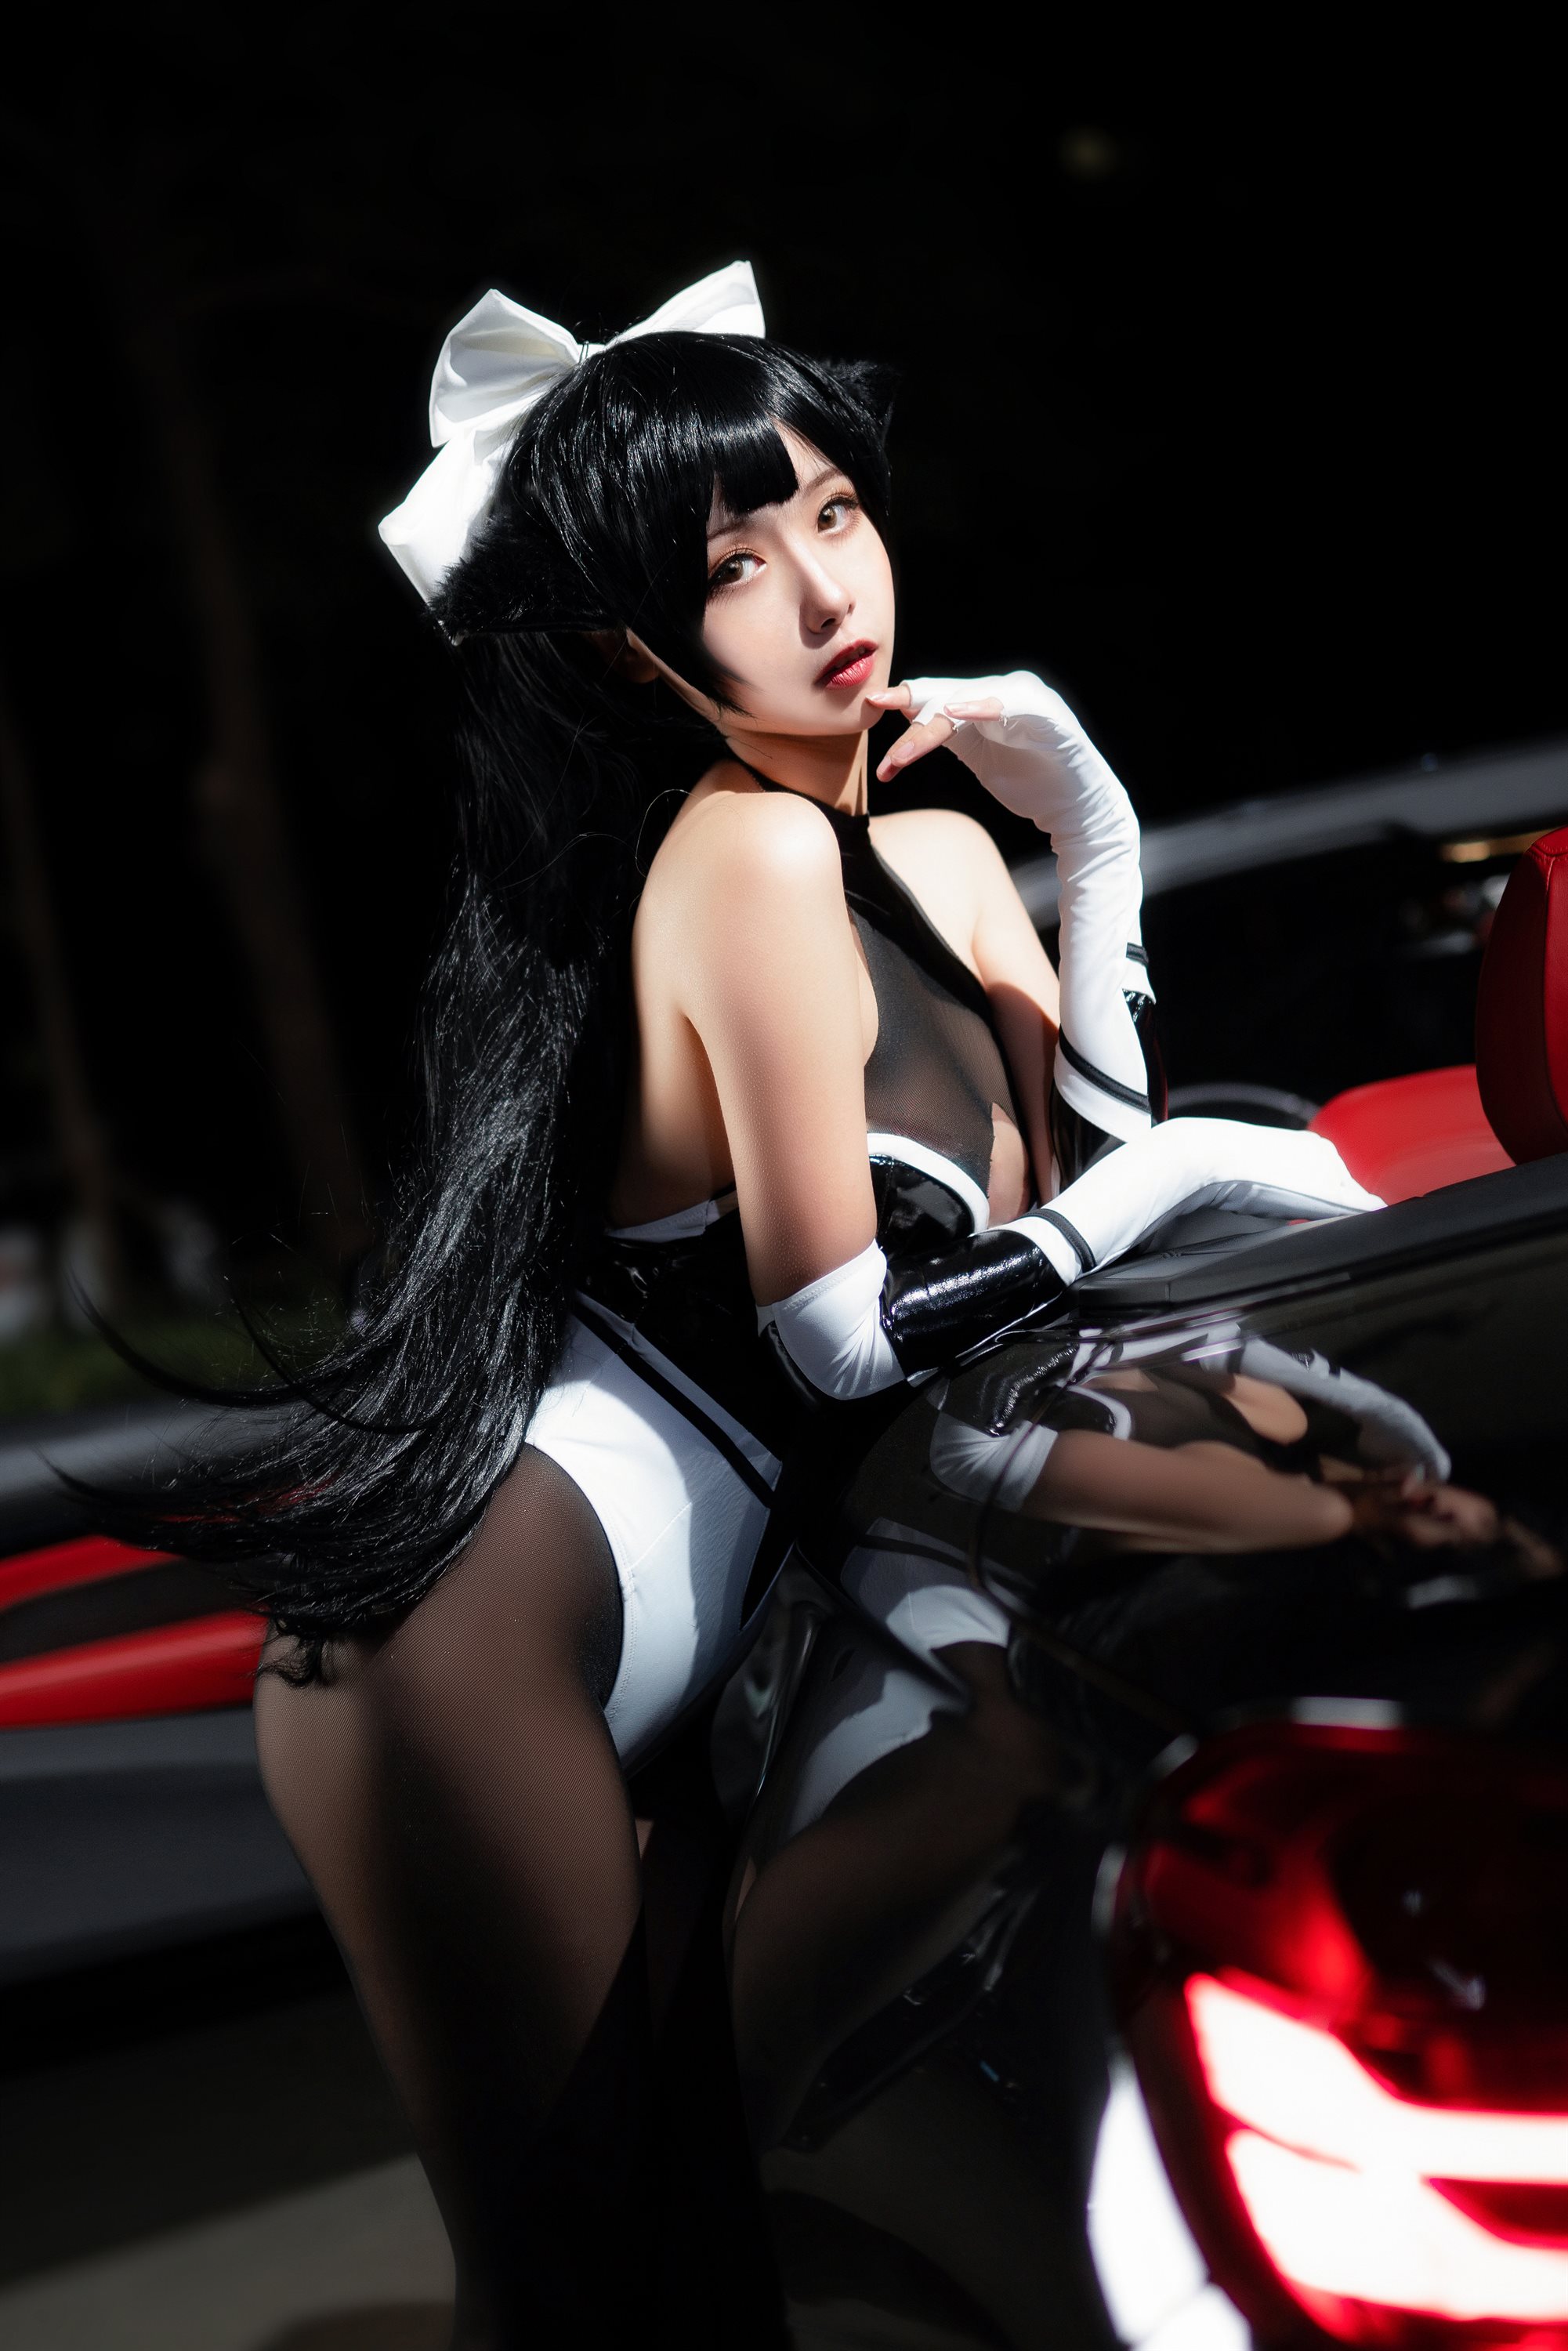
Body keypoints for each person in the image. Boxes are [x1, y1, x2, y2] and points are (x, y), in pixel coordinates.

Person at [111, 263, 1378, 2342]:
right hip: (475, 1656)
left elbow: (1087, 1215)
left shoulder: (947, 859)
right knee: (593, 2281)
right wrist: (1197, 1170)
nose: (819, 587)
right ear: (636, 642)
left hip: (720, 1630)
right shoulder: (740, 859)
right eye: (731, 561)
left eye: (833, 512)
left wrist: (1095, 840)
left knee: (718, 2256)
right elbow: (844, 1335)